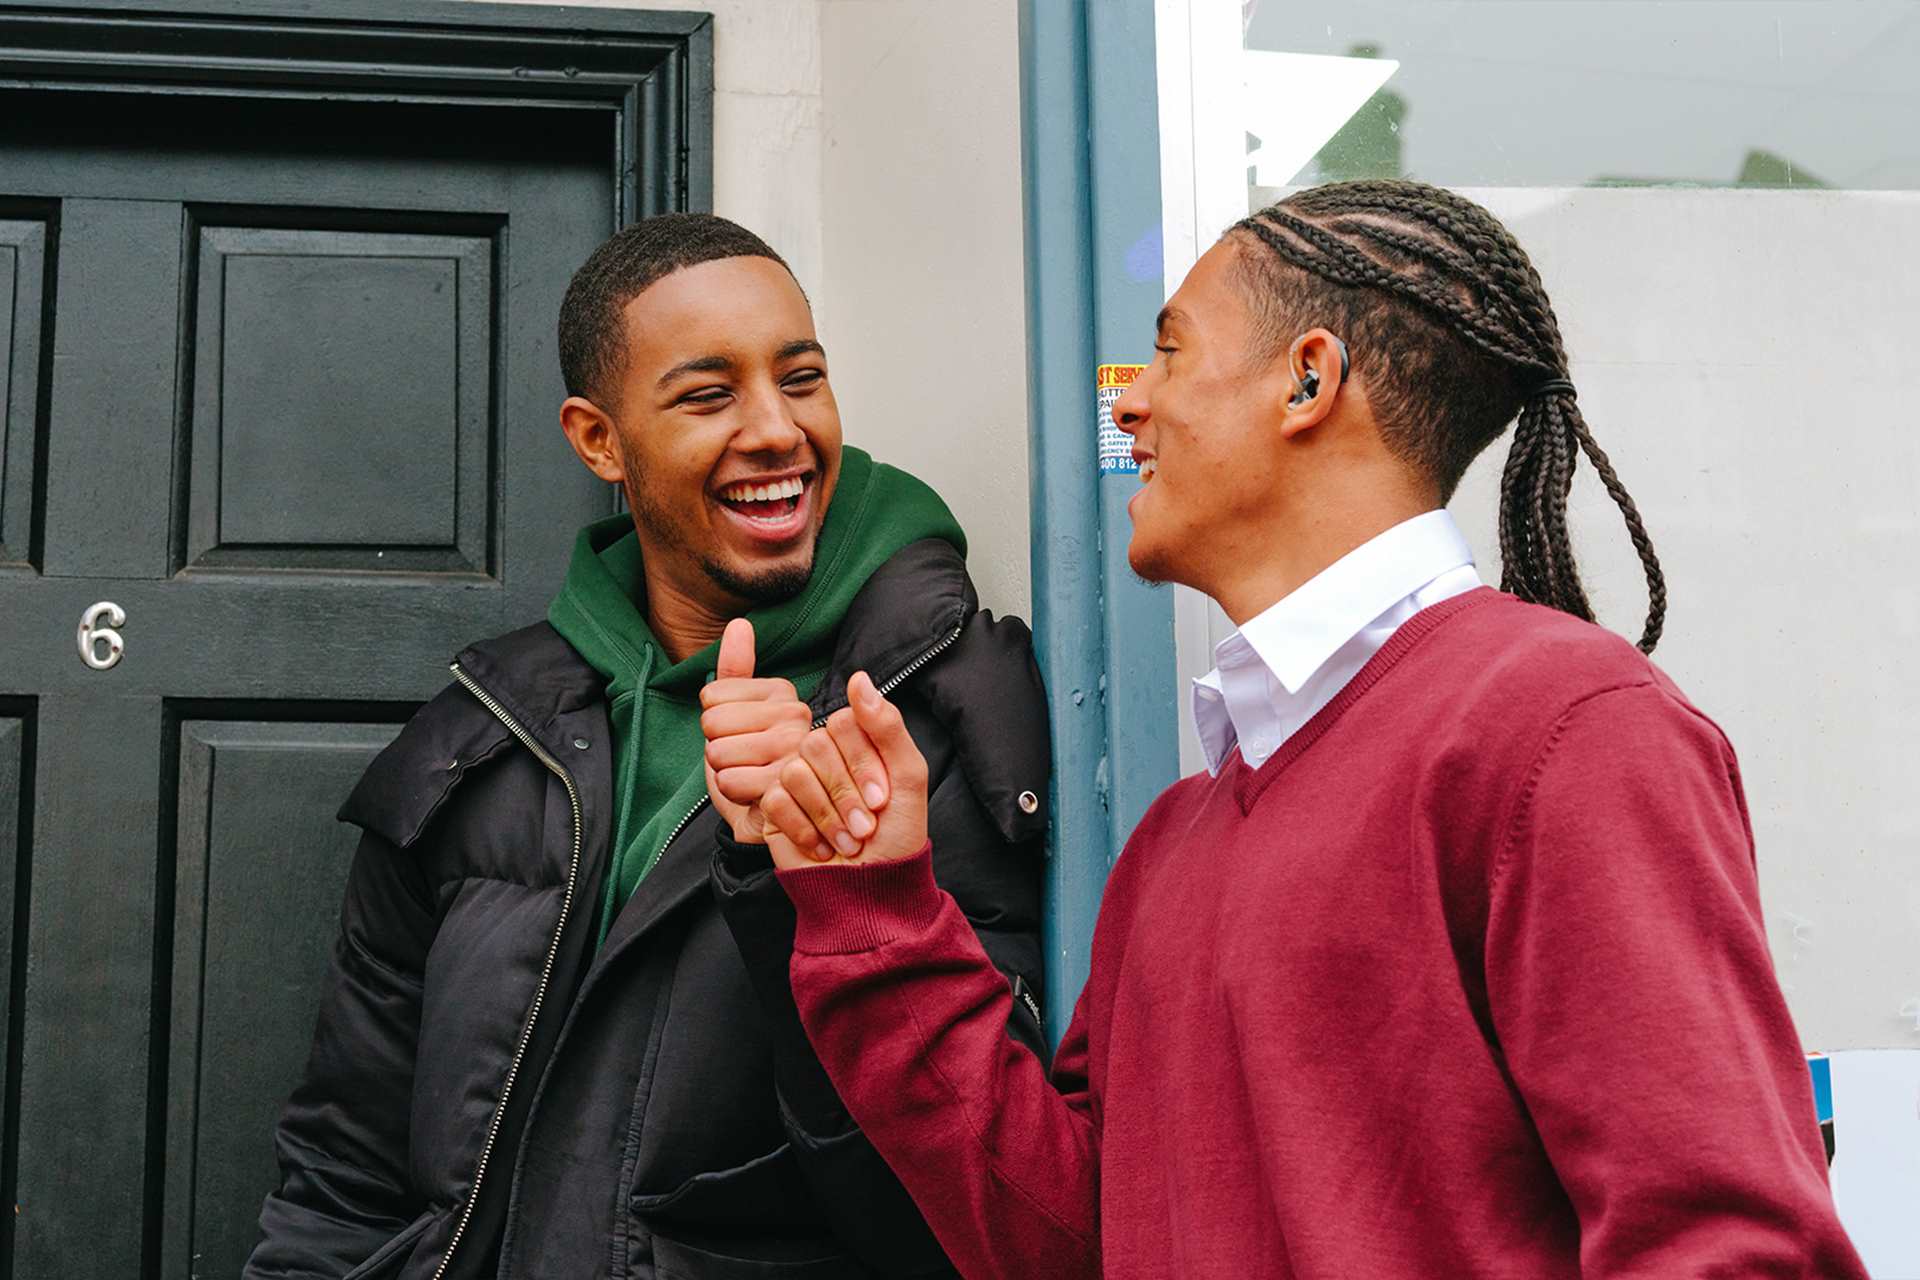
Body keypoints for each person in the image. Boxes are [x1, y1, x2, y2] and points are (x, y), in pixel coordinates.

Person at [704, 181, 1867, 1278]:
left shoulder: (1563, 730)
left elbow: (1729, 1243)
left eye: (1167, 354)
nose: (1129, 403)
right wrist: (878, 907)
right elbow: (1077, 1244)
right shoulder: (1174, 838)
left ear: (1307, 382)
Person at [244, 214, 1051, 1279]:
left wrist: (797, 880)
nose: (775, 430)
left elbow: (963, 1204)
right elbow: (341, 1176)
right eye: (709, 394)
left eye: (801, 379)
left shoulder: (933, 719)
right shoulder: (479, 737)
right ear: (598, 439)